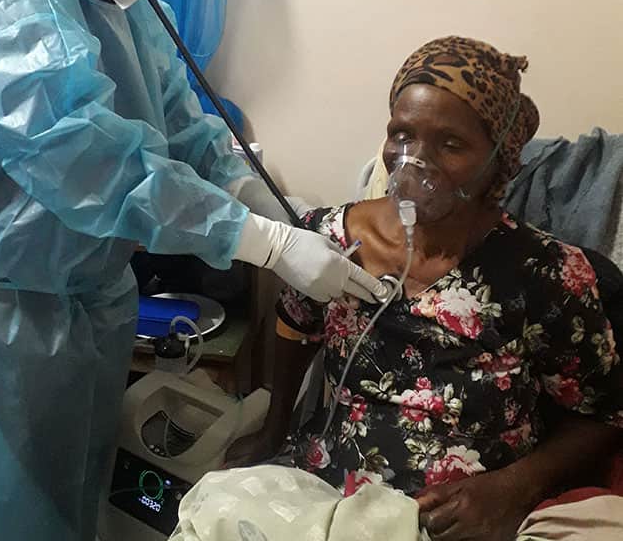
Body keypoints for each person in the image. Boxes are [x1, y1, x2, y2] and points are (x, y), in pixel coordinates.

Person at [0, 0, 389, 540]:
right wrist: (266, 243)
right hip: (1, 325)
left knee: (75, 507)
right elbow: (96, 166)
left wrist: (256, 195)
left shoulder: (119, 0)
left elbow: (182, 124)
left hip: (94, 311)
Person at [227, 37, 623, 541]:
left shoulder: (545, 273)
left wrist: (515, 488)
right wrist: (273, 425)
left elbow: (605, 412)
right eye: (402, 134)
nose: (413, 161)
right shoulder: (327, 241)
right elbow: (295, 326)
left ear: (498, 161)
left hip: (463, 520)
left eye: (451, 144)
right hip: (325, 496)